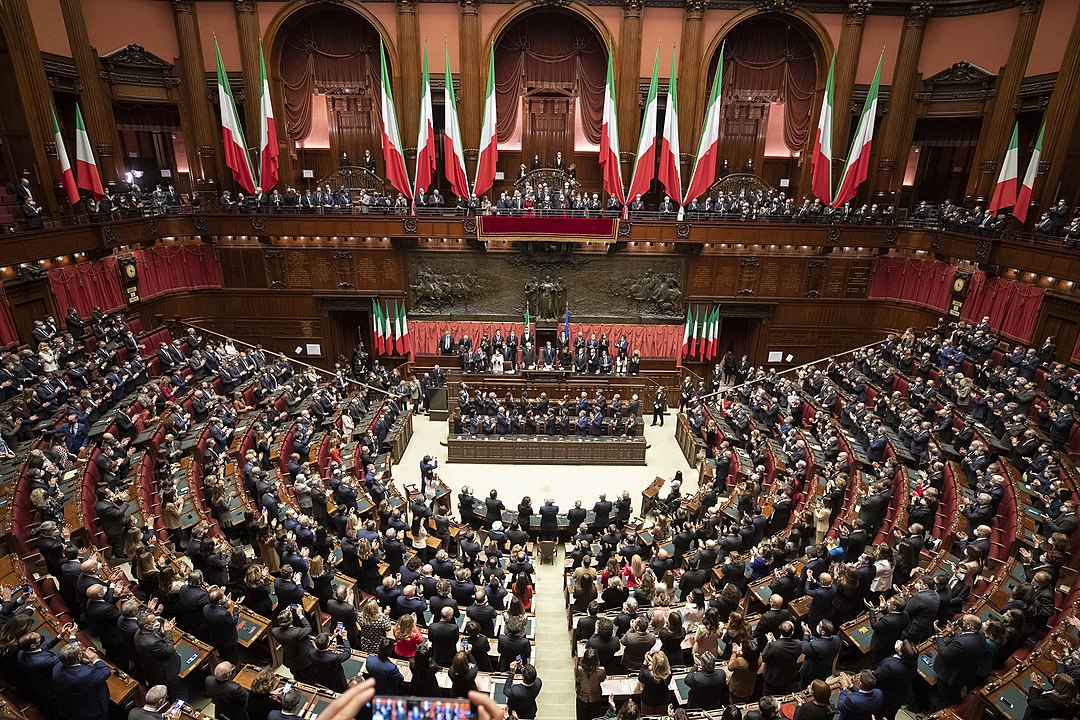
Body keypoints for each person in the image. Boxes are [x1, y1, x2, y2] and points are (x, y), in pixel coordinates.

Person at [51, 643, 112, 720]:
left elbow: (71, 663)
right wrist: (95, 659)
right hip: (91, 710)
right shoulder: (84, 675)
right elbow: (106, 672)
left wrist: (83, 660)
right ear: (79, 656)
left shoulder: (57, 667)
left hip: (72, 706)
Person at [271, 606, 314, 683]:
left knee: (297, 674)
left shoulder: (274, 631)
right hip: (303, 658)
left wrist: (285, 613)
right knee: (308, 676)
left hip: (290, 657)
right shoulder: (296, 632)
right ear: (291, 620)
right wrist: (301, 615)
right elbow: (308, 628)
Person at [574, 647, 607, 720]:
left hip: (582, 697)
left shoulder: (579, 670)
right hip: (595, 697)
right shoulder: (601, 671)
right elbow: (602, 680)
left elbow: (578, 679)